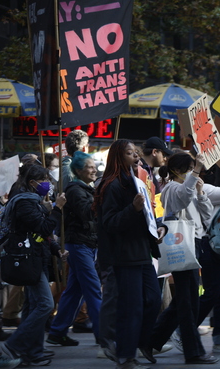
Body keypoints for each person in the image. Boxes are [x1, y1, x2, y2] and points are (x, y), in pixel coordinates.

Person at [94, 140, 167, 369]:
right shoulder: (113, 185)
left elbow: (146, 215)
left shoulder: (137, 182)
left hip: (142, 252)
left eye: (136, 152)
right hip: (125, 256)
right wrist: (132, 209)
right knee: (131, 306)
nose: (136, 156)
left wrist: (158, 227)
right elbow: (110, 223)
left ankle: (140, 342)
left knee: (154, 300)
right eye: (129, 153)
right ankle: (126, 355)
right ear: (118, 157)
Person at [147, 153, 218, 365]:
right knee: (188, 302)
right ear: (178, 170)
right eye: (188, 168)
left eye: (193, 168)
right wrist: (194, 175)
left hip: (194, 243)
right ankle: (193, 351)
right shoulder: (170, 188)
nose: (192, 172)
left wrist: (201, 192)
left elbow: (206, 214)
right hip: (182, 244)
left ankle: (151, 340)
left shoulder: (189, 186)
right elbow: (183, 197)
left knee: (184, 301)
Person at [1, 165, 68, 366]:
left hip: (37, 255)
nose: (47, 184)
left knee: (32, 305)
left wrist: (56, 249)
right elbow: (43, 227)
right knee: (46, 304)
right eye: (44, 180)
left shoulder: (33, 201)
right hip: (29, 258)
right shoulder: (24, 202)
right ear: (33, 183)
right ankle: (14, 345)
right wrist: (57, 209)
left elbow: (43, 234)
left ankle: (34, 351)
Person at [47, 152, 101, 347]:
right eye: (89, 166)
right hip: (79, 245)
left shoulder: (86, 188)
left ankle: (57, 331)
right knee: (94, 290)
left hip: (86, 244)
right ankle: (105, 337)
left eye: (94, 166)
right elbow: (88, 213)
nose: (94, 169)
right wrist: (100, 196)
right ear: (78, 170)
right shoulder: (76, 190)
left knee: (73, 291)